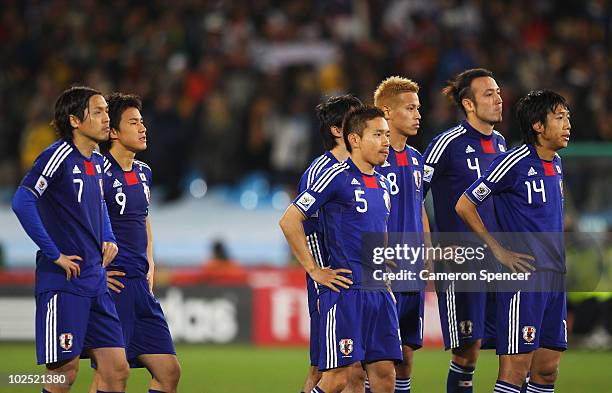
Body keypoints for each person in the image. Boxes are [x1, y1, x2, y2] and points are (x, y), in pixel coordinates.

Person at [11, 86, 128, 393]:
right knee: (64, 374)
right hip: (64, 280)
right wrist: (53, 253)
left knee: (116, 370)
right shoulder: (58, 155)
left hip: (95, 279)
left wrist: (109, 236)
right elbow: (22, 201)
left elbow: (100, 203)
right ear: (76, 121)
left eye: (107, 111)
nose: (107, 119)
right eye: (99, 112)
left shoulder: (99, 160)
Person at [279, 106, 401, 393]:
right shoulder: (335, 176)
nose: (386, 141)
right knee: (337, 379)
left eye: (386, 134)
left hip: (379, 293)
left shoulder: (383, 183)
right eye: (378, 135)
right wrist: (315, 271)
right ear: (355, 139)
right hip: (347, 292)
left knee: (385, 377)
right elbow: (290, 220)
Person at [456, 90, 570, 393]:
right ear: (538, 125)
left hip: (554, 279)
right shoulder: (514, 161)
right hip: (524, 281)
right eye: (559, 117)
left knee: (547, 372)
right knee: (514, 372)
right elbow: (465, 204)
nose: (567, 124)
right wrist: (498, 250)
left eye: (567, 117)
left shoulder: (557, 163)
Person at [422, 68, 506, 392]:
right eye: (489, 94)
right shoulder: (447, 143)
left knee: (511, 349)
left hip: (498, 261)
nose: (498, 99)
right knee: (467, 353)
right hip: (460, 261)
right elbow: (417, 193)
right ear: (468, 104)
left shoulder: (501, 145)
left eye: (498, 92)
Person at [90, 92, 180, 393]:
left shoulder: (144, 173)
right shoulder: (97, 173)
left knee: (168, 372)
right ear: (113, 132)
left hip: (140, 285)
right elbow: (78, 224)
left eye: (142, 122)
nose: (143, 128)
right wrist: (97, 273)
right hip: (114, 287)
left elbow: (143, 218)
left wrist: (150, 262)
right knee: (111, 376)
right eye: (133, 122)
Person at [297, 94, 364, 393]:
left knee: (356, 368)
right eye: (356, 117)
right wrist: (317, 272)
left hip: (358, 280)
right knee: (324, 368)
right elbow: (298, 224)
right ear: (338, 131)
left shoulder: (363, 169)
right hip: (332, 282)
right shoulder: (319, 172)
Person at [371, 76, 429, 393]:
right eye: (409, 108)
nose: (418, 114)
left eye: (418, 108)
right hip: (384, 273)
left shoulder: (418, 159)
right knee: (378, 363)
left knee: (405, 358)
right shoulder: (372, 160)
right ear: (387, 112)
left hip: (412, 271)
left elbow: (419, 209)